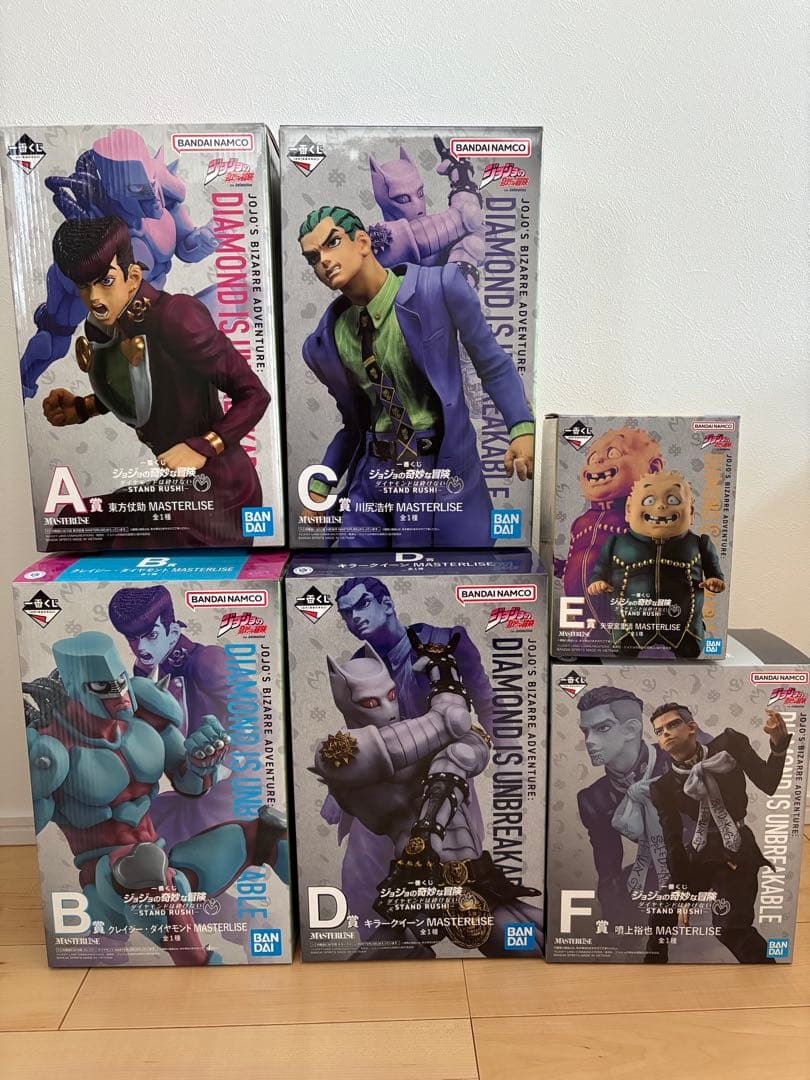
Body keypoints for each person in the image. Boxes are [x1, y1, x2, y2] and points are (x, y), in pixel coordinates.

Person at [297, 205, 534, 547]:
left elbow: (492, 363)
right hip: (372, 476)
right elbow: (353, 424)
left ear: (362, 241)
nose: (324, 260)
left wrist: (521, 427)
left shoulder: (438, 288)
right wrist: (321, 484)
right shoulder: (326, 341)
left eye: (332, 242)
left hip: (434, 470)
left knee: (432, 569)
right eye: (312, 257)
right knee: (352, 568)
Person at [42, 214, 269, 545]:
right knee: (73, 524)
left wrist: (204, 446)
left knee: (123, 545)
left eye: (105, 281)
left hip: (222, 495)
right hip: (176, 490)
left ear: (133, 276)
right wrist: (84, 407)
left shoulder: (177, 317)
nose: (94, 298)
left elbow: (254, 394)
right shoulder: (104, 324)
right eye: (83, 286)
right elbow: (145, 388)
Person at [326, 575, 493, 934]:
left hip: (441, 776)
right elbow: (358, 728)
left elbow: (485, 700)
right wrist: (339, 788)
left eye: (362, 605)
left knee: (456, 874)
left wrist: (508, 751)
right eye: (346, 613)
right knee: (360, 881)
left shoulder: (442, 640)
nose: (354, 618)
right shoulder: (360, 662)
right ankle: (390, 945)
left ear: (386, 604)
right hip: (385, 781)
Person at [649, 701, 790, 962]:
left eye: (673, 724)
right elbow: (673, 840)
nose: (665, 733)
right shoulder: (663, 787)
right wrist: (680, 890)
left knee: (730, 928)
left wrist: (778, 744)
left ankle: (766, 971)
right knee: (661, 913)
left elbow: (768, 782)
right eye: (659, 731)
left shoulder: (729, 744)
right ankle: (650, 972)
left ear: (692, 727)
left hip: (737, 850)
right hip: (699, 853)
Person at [108, 585, 231, 850]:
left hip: (227, 786)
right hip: (188, 783)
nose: (140, 647)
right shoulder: (147, 671)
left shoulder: (207, 659)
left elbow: (253, 716)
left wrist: (223, 762)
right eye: (132, 639)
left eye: (151, 635)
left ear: (173, 631)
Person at [575, 685, 672, 961]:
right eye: (585, 732)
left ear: (631, 729)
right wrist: (613, 923)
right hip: (654, 873)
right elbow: (608, 870)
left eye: (602, 728)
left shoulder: (675, 760)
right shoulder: (593, 799)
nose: (589, 741)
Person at [588, 471, 725, 657]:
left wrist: (715, 581)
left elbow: (715, 573)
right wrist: (597, 582)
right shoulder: (615, 543)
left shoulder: (699, 544)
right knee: (623, 652)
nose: (660, 506)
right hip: (630, 627)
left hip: (684, 627)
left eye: (673, 500)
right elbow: (600, 570)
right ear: (629, 509)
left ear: (691, 511)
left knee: (690, 652)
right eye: (649, 500)